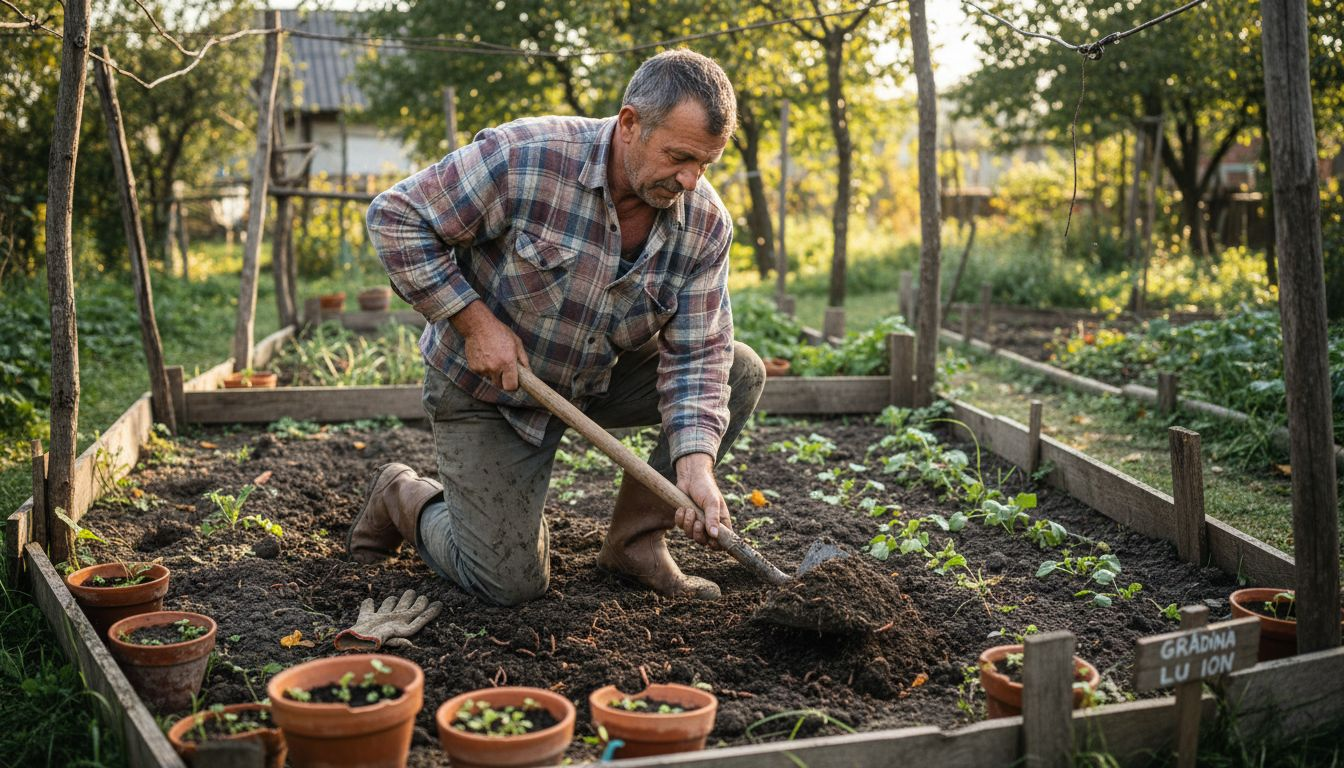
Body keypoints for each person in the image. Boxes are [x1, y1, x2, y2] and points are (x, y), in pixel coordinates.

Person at [350, 49, 765, 606]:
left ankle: (636, 544)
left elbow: (698, 354)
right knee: (509, 586)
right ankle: (405, 495)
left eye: (706, 164)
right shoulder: (527, 157)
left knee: (739, 369)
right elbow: (396, 217)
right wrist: (473, 323)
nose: (691, 180)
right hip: (489, 390)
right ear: (629, 124)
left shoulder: (704, 225)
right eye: (679, 156)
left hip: (592, 380)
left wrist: (695, 465)